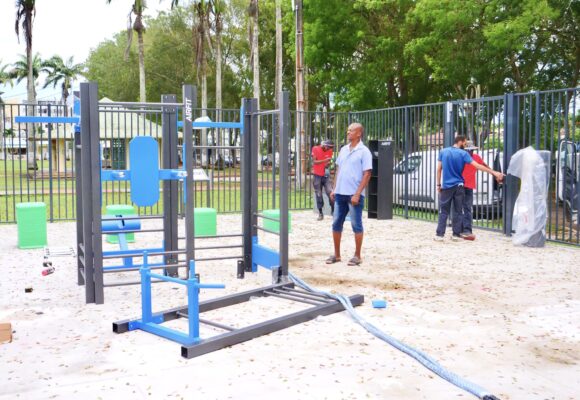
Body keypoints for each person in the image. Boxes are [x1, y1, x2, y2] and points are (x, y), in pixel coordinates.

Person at [435, 135, 503, 241]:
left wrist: (438, 185)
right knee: (458, 211)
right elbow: (479, 166)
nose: (465, 145)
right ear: (460, 142)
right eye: (465, 143)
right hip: (459, 186)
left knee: (444, 211)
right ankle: (456, 235)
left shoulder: (443, 151)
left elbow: (439, 169)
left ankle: (439, 235)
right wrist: (494, 172)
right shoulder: (463, 154)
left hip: (447, 186)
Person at [326, 123, 372, 266]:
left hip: (354, 195)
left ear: (359, 133)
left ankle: (357, 255)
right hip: (340, 193)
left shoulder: (364, 151)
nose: (348, 132)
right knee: (336, 224)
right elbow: (339, 169)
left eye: (351, 130)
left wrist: (358, 194)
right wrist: (334, 188)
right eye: (348, 130)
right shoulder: (343, 150)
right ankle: (337, 255)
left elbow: (367, 173)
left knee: (356, 224)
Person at [460, 141, 491, 240]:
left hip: (468, 186)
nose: (470, 152)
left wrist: (494, 173)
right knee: (461, 208)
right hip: (460, 185)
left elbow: (484, 166)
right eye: (469, 150)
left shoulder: (476, 158)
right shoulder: (462, 157)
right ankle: (461, 229)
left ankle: (466, 230)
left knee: (466, 208)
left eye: (471, 150)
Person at [311, 139, 335, 220]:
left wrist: (328, 164)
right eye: (328, 147)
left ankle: (333, 211)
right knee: (319, 194)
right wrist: (325, 161)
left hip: (326, 175)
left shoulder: (330, 151)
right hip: (317, 175)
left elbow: (328, 163)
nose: (329, 149)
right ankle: (320, 213)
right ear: (323, 145)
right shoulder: (315, 148)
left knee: (330, 192)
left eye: (330, 148)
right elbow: (314, 161)